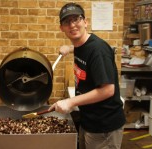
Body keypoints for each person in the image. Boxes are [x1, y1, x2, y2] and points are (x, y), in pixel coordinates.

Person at [48, 2, 126, 149]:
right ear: (61, 28)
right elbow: (83, 48)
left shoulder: (98, 51)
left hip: (104, 127)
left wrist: (70, 102)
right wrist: (69, 48)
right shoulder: (80, 45)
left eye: (76, 19)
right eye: (67, 21)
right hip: (89, 121)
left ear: (85, 21)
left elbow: (108, 90)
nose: (72, 25)